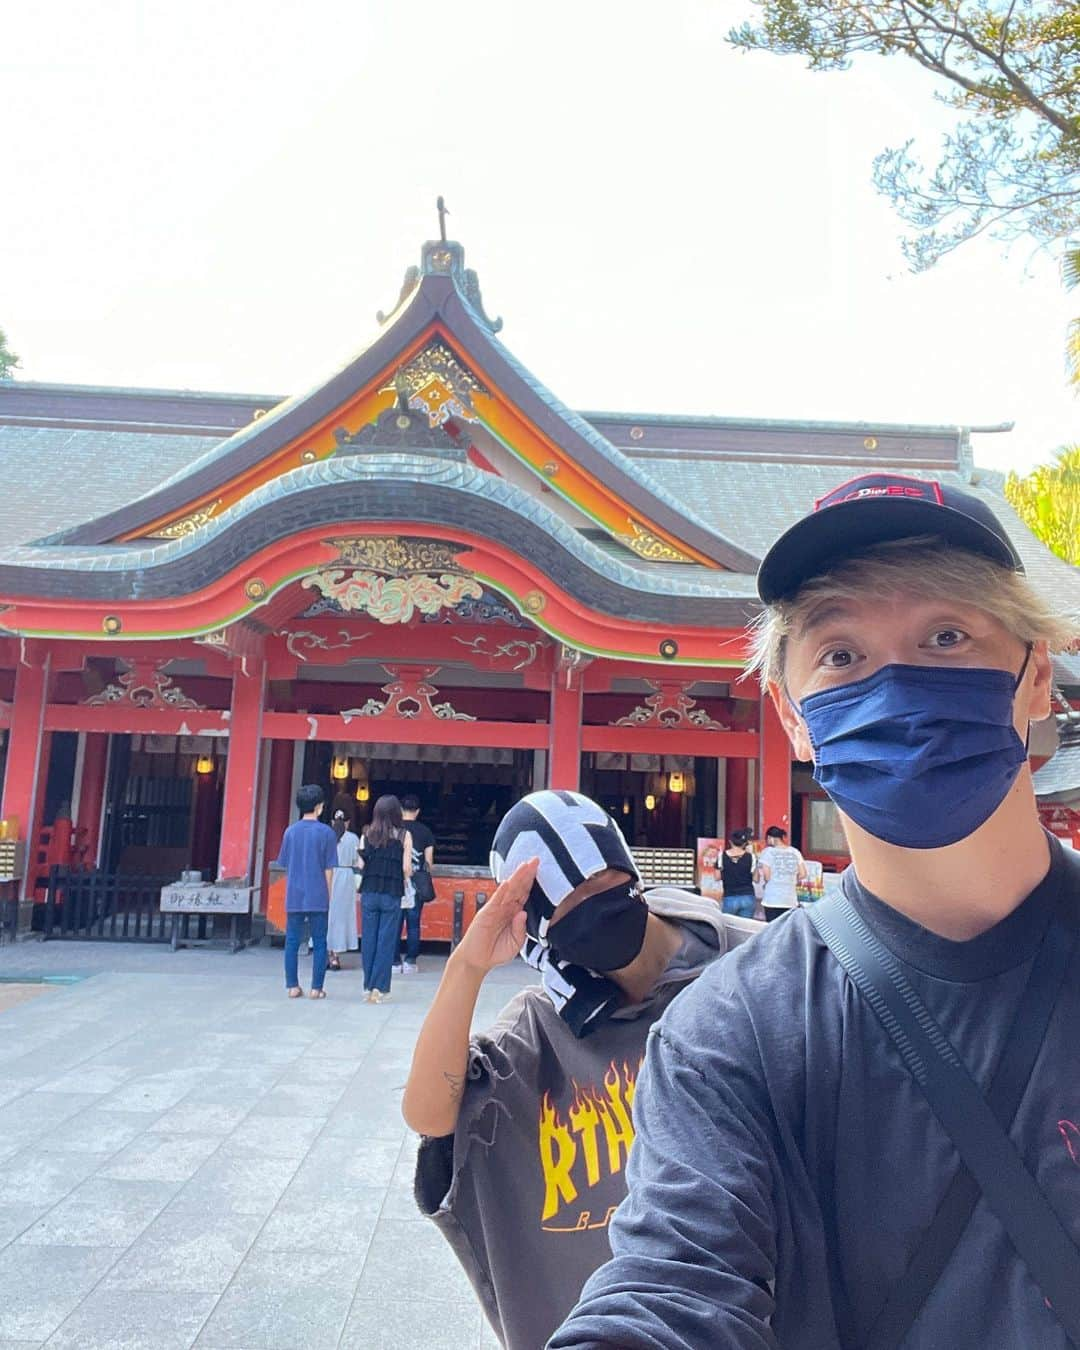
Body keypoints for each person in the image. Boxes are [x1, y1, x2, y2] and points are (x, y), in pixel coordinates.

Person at [551, 472, 1080, 1349]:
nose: (899, 686)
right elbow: (668, 1291)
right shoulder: (731, 1032)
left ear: (1034, 675)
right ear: (794, 717)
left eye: (948, 635)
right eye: (842, 655)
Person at [403, 790, 760, 1350]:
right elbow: (430, 1114)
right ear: (545, 933)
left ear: (628, 873)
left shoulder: (748, 965)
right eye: (566, 908)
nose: (592, 908)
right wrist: (467, 967)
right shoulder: (544, 1027)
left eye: (601, 885)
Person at [274, 783, 338, 1000]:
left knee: (292, 940)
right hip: (318, 892)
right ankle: (316, 988)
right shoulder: (327, 833)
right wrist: (328, 893)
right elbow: (329, 869)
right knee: (320, 941)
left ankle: (292, 986)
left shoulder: (290, 832)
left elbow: (283, 863)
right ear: (320, 806)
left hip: (295, 891)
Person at [357, 794, 412, 1003]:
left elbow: (360, 866)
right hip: (392, 893)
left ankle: (367, 986)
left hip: (369, 892)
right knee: (386, 940)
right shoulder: (403, 836)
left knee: (369, 939)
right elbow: (406, 868)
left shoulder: (366, 834)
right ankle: (379, 989)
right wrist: (407, 879)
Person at [395, 793, 436, 974]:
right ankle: (410, 961)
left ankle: (394, 961)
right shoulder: (425, 831)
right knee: (413, 923)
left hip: (396, 882)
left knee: (395, 923)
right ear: (417, 811)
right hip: (417, 883)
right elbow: (429, 862)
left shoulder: (394, 830)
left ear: (400, 810)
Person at [326, 809, 360, 970]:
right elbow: (358, 862)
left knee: (328, 913)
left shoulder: (327, 837)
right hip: (346, 876)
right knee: (342, 916)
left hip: (329, 874)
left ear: (333, 822)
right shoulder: (353, 838)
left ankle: (328, 952)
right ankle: (336, 956)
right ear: (347, 822)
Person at [756, 823, 807, 921]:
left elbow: (767, 876)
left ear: (771, 838)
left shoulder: (767, 852)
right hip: (790, 899)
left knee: (772, 930)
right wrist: (791, 879)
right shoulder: (795, 852)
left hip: (772, 899)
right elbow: (803, 873)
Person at [719, 828, 756, 918]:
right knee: (745, 929)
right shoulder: (751, 857)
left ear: (730, 842)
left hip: (730, 896)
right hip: (748, 896)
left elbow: (717, 876)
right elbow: (756, 878)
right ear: (744, 843)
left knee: (728, 929)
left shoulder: (721, 856)